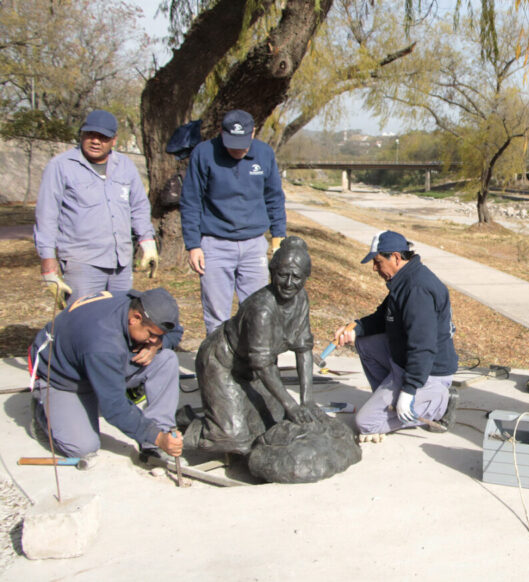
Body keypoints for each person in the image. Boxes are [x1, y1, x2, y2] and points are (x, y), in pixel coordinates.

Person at [181, 236, 316, 455]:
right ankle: (193, 425)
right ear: (272, 272)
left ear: (305, 278)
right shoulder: (262, 310)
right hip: (221, 363)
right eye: (283, 275)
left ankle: (222, 413)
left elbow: (304, 349)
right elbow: (263, 365)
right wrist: (291, 404)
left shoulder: (301, 299)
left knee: (271, 424)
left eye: (297, 277)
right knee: (235, 442)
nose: (289, 284)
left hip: (251, 368)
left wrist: (307, 400)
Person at [29, 288, 184, 468]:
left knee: (167, 360)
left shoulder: (143, 305)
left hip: (97, 361)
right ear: (135, 318)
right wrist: (156, 436)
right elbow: (114, 407)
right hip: (64, 377)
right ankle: (42, 411)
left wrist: (158, 344)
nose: (153, 340)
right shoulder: (102, 343)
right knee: (83, 447)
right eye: (152, 335)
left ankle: (154, 441)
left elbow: (175, 332)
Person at [333, 231, 458, 442]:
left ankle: (438, 406)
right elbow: (383, 318)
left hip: (428, 372)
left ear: (396, 258)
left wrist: (409, 391)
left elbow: (423, 347)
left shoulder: (417, 289)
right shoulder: (403, 280)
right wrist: (354, 329)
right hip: (405, 362)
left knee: (367, 424)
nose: (375, 268)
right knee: (364, 343)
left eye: (378, 262)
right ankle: (390, 402)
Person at [33, 109, 159, 308]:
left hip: (121, 263)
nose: (96, 141)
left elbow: (139, 206)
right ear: (82, 135)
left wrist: (148, 242)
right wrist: (48, 264)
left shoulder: (125, 165)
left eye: (103, 137)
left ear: (114, 140)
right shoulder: (60, 167)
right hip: (82, 263)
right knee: (85, 320)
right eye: (90, 135)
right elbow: (46, 217)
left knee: (119, 320)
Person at [180, 109, 287, 335]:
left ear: (254, 132)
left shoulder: (264, 154)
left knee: (257, 312)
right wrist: (193, 245)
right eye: (232, 142)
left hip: (253, 244)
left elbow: (274, 197)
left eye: (243, 143)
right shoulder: (204, 153)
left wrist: (279, 236)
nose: (238, 149)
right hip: (214, 244)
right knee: (217, 316)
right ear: (221, 132)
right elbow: (190, 201)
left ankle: (250, 366)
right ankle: (219, 367)